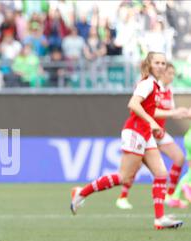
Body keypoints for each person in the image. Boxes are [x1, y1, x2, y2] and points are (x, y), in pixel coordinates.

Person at [70, 52, 184, 230]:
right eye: (157, 63)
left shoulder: (156, 85)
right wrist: (152, 121)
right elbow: (133, 104)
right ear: (150, 65)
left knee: (161, 173)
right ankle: (80, 193)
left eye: (163, 63)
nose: (161, 66)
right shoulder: (147, 83)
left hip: (145, 134)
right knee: (123, 177)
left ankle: (159, 218)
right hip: (135, 132)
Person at [116, 63, 190, 210]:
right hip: (145, 131)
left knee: (179, 158)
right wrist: (172, 113)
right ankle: (122, 197)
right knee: (134, 167)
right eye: (169, 73)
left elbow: (169, 112)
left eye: (173, 74)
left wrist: (182, 113)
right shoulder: (154, 88)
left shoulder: (169, 91)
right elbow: (151, 111)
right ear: (162, 74)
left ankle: (169, 195)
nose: (172, 77)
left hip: (159, 132)